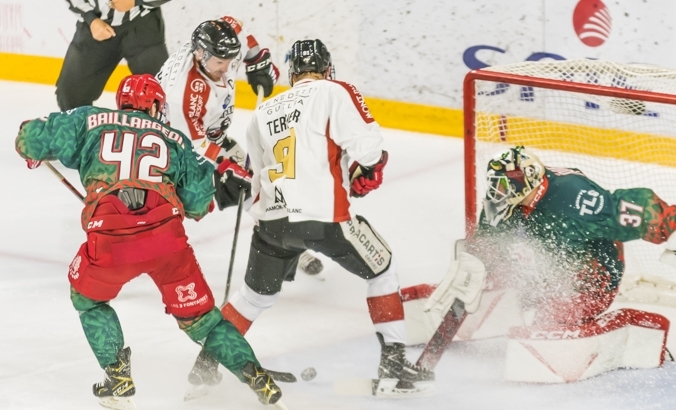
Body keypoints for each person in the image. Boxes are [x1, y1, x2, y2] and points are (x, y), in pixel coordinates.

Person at [15, 74, 285, 409]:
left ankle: (118, 376)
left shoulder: (89, 119)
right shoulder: (176, 139)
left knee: (88, 299)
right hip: (167, 242)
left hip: (111, 240)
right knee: (204, 320)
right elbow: (199, 203)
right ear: (156, 105)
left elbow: (28, 137)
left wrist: (34, 153)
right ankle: (258, 380)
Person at [186, 39, 435, 397]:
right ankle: (394, 368)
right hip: (323, 216)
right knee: (383, 270)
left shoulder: (265, 111)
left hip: (271, 224)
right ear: (326, 68)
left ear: (292, 73)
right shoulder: (335, 91)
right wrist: (370, 167)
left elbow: (253, 177)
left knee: (252, 298)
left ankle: (205, 367)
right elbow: (369, 148)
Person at [406, 145, 676, 381]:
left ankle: (633, 329)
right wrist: (472, 268)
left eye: (505, 184)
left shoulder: (573, 198)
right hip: (540, 266)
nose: (497, 190)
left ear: (528, 181)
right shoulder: (501, 201)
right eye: (495, 182)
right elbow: (488, 244)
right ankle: (518, 299)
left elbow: (633, 208)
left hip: (592, 273)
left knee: (549, 326)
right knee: (495, 271)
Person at [156, 17, 324, 276]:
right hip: (172, 151)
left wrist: (257, 60)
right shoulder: (186, 97)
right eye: (220, 63)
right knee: (175, 208)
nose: (226, 69)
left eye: (230, 61)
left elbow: (235, 27)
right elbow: (198, 157)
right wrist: (228, 170)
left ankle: (290, 243)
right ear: (200, 54)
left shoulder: (219, 48)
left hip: (208, 137)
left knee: (255, 188)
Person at [57, 0, 172, 111]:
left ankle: (155, 130)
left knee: (159, 92)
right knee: (71, 93)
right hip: (95, 28)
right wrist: (91, 19)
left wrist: (136, 1)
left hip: (143, 25)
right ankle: (80, 130)